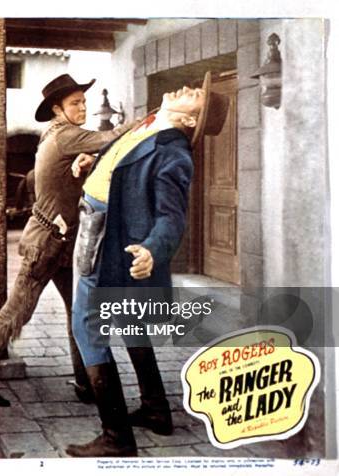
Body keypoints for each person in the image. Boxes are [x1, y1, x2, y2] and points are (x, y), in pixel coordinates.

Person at [66, 72, 230, 457]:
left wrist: (154, 250)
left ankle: (116, 436)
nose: (191, 88)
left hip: (113, 238)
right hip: (98, 222)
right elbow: (124, 157)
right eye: (196, 85)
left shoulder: (175, 152)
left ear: (190, 122)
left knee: (85, 326)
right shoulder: (151, 122)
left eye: (197, 96)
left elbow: (172, 217)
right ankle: (156, 410)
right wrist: (95, 161)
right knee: (126, 319)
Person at [0, 74, 134, 406]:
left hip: (63, 242)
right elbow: (112, 137)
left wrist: (83, 163)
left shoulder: (58, 136)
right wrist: (146, 122)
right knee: (16, 313)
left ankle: (87, 384)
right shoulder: (66, 136)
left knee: (80, 311)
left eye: (84, 102)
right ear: (57, 109)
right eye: (75, 103)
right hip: (46, 243)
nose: (83, 107)